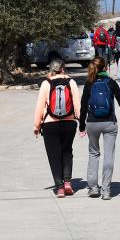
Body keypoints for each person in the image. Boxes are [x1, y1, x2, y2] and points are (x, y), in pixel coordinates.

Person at [78, 57, 120, 200]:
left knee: (93, 154)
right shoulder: (111, 82)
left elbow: (83, 106)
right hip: (110, 123)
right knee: (108, 155)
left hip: (92, 123)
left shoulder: (89, 83)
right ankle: (106, 190)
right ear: (105, 68)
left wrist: (82, 126)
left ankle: (92, 188)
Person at [33, 59, 80, 198]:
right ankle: (67, 182)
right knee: (67, 151)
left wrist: (36, 125)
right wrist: (79, 120)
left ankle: (59, 187)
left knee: (54, 155)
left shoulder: (46, 84)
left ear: (51, 69)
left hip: (50, 124)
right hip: (69, 123)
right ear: (63, 69)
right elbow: (77, 104)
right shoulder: (71, 82)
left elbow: (40, 106)